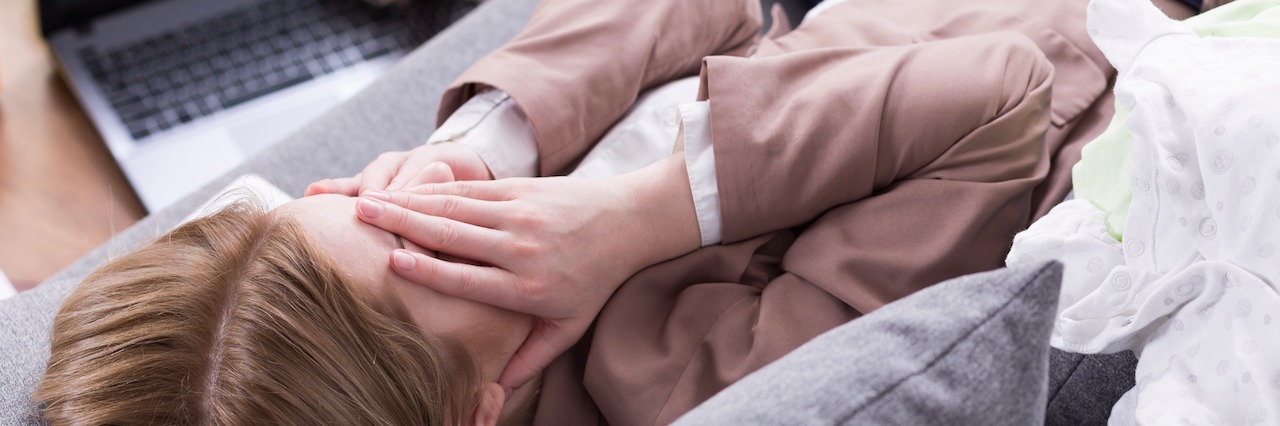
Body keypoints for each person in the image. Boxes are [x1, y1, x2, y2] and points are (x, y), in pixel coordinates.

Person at [35, 0, 1197, 423]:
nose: (412, 198)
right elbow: (997, 92)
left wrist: (485, 138)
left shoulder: (476, 182)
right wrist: (636, 218)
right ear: (474, 413)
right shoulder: (689, 379)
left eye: (347, 202)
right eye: (418, 248)